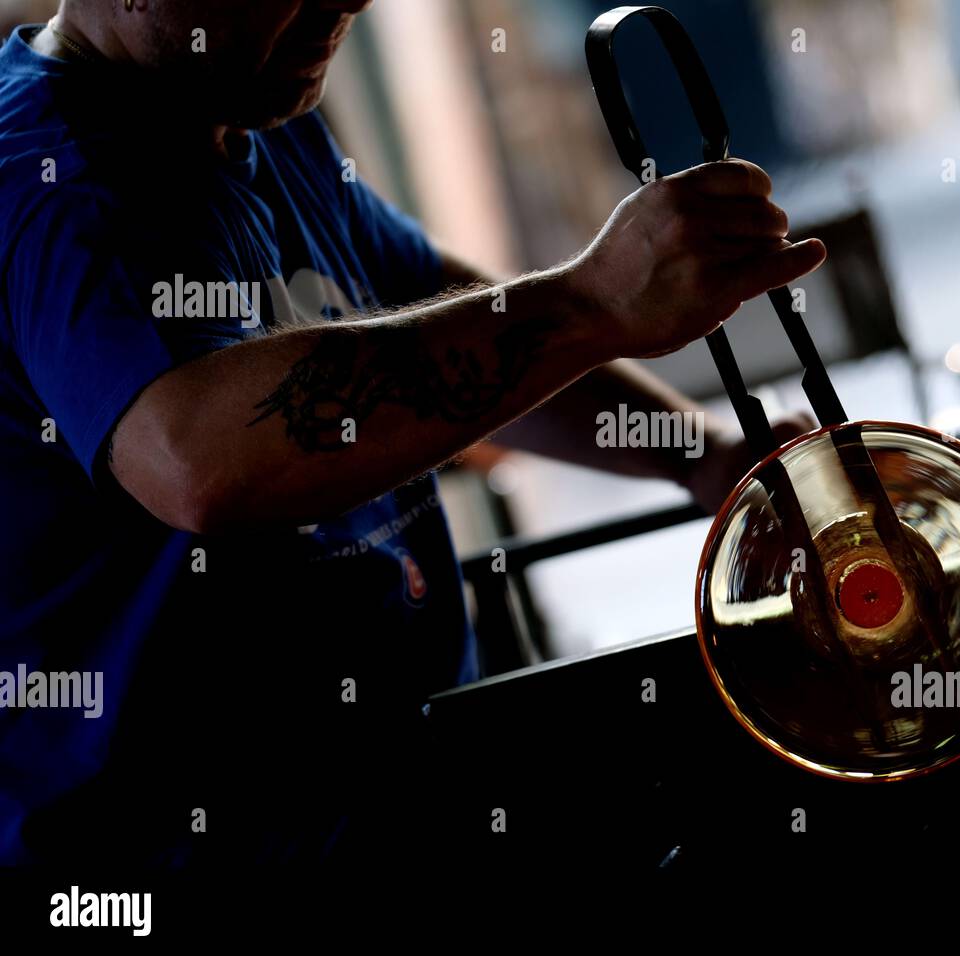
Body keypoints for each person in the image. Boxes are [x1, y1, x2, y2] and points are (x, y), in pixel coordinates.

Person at [0, 1, 825, 864]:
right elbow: (198, 460)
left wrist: (708, 460)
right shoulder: (47, 186)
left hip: (401, 790)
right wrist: (592, 301)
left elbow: (445, 318)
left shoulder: (256, 116)